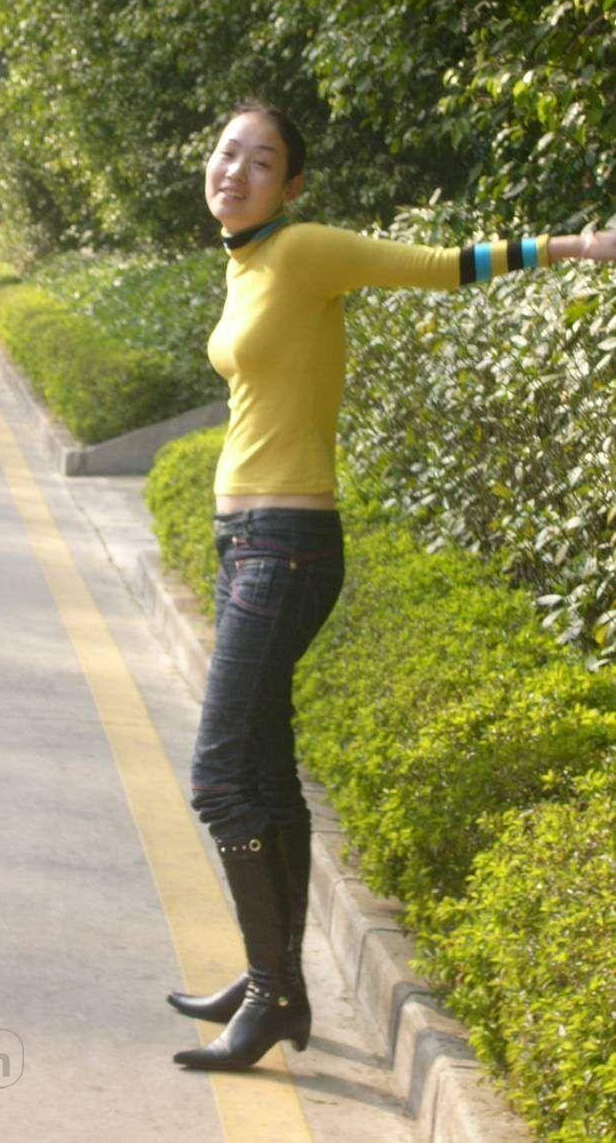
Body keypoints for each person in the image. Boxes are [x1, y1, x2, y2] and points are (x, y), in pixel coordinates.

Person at [167, 100, 616, 1073]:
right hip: (245, 539)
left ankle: (273, 988)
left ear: (292, 185)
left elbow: (442, 265)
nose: (235, 170)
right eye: (227, 152)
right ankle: (273, 984)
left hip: (286, 543)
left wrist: (579, 246)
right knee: (262, 771)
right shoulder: (246, 261)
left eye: (261, 161)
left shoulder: (303, 250)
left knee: (217, 776)